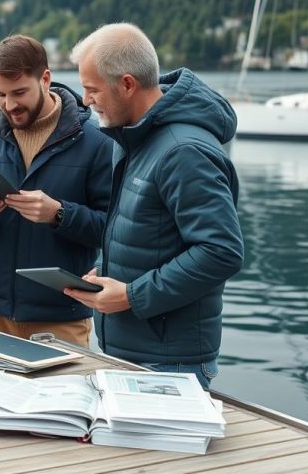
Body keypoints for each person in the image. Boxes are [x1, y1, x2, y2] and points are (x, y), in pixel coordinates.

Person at [63, 23, 244, 389]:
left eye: (92, 89)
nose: (84, 100)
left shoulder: (184, 151)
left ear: (127, 85)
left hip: (170, 363)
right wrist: (108, 274)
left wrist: (131, 295)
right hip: (131, 352)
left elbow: (221, 251)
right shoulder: (134, 138)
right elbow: (151, 236)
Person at [0, 35, 112, 345]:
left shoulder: (97, 143)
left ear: (46, 79)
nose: (10, 105)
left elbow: (112, 229)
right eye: (0, 94)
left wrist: (60, 214)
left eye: (19, 92)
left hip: (63, 316)